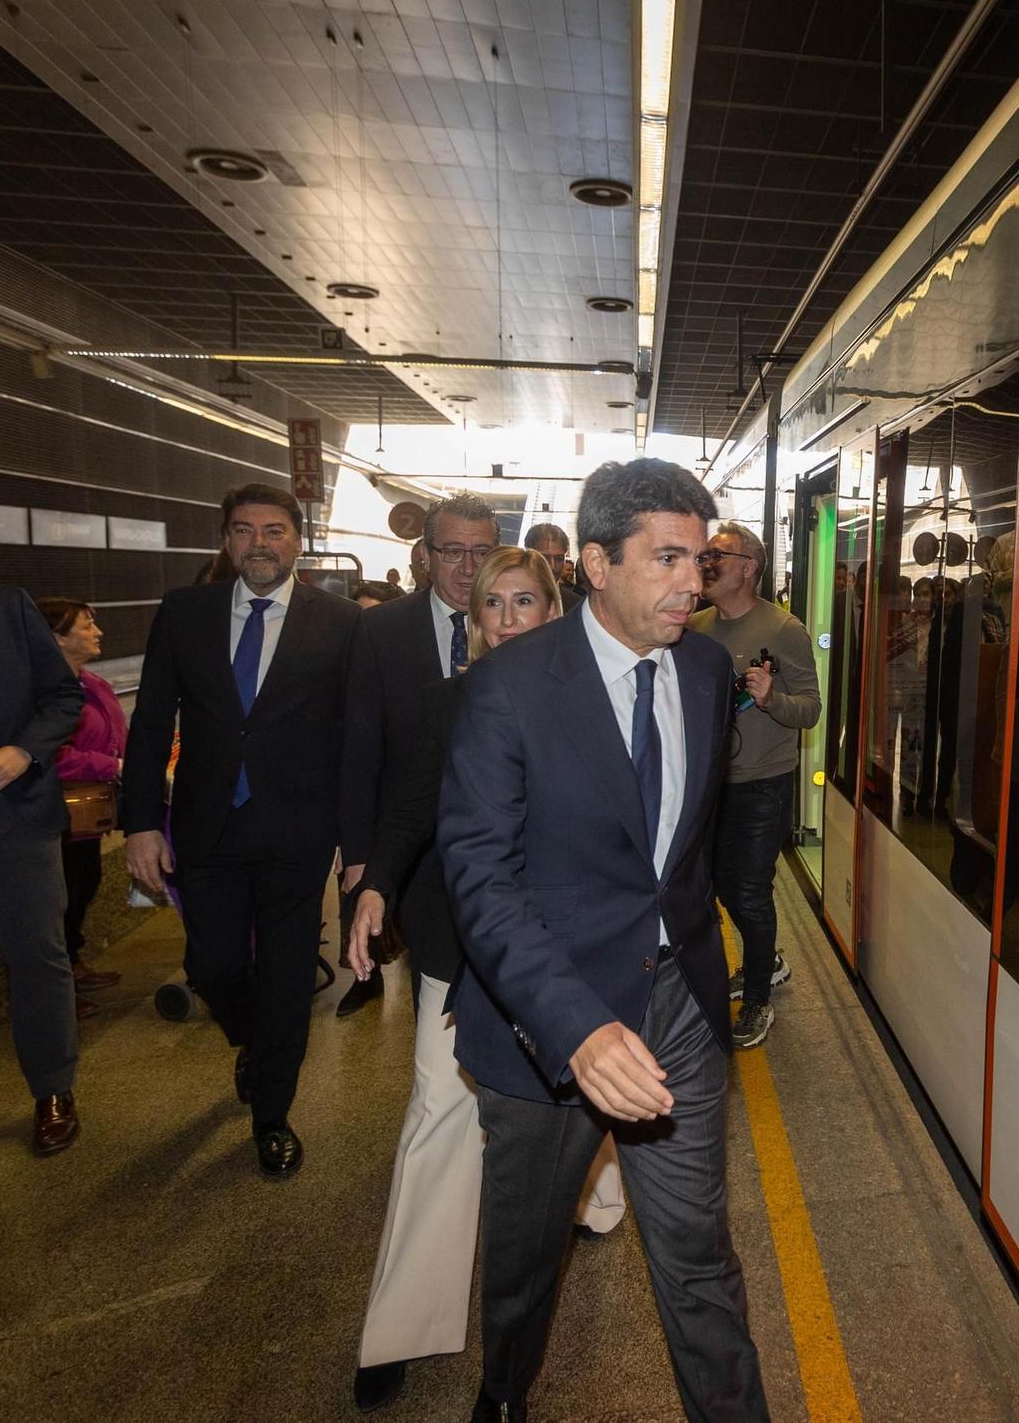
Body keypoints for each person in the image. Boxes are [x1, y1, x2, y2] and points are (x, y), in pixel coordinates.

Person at [440, 459, 767, 1423]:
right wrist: (576, 1028)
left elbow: (678, 854)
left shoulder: (706, 673)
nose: (690, 584)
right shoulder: (507, 690)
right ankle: (503, 1394)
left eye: (699, 561)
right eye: (666, 559)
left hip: (679, 1010)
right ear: (594, 563)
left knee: (698, 1253)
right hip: (550, 1028)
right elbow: (482, 882)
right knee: (526, 1257)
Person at [343, 547, 622, 1414]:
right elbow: (411, 805)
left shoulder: (600, 701)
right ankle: (403, 1328)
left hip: (571, 952)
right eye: (492, 604)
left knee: (584, 1095)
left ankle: (593, 1197)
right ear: (475, 623)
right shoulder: (451, 702)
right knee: (441, 1116)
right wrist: (377, 883)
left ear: (556, 609)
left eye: (525, 601)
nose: (506, 617)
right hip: (460, 952)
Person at [122, 483, 360, 1177]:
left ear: (297, 541)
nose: (261, 542)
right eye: (247, 531)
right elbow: (150, 723)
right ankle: (259, 1043)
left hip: (298, 830)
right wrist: (140, 820)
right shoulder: (185, 613)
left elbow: (356, 735)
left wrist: (358, 844)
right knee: (214, 965)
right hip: (207, 826)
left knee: (288, 976)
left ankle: (271, 1115)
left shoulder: (341, 622)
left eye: (276, 530)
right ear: (227, 542)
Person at [337, 491, 500, 1019]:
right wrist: (361, 856)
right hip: (410, 843)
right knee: (429, 982)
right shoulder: (380, 629)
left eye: (482, 552)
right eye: (453, 551)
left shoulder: (520, 628)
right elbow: (360, 746)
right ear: (425, 554)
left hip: (497, 842)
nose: (469, 567)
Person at [690, 520, 821, 1049]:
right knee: (721, 886)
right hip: (708, 782)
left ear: (748, 566)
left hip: (763, 782)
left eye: (716, 555)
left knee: (748, 889)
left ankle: (760, 995)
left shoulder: (782, 628)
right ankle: (767, 959)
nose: (705, 564)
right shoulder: (696, 625)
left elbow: (811, 709)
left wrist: (770, 700)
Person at [0, 586, 86, 1155]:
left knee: (37, 955)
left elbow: (62, 698)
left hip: (16, 816)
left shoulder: (8, 607)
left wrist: (21, 752)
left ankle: (53, 1089)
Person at [34, 598, 127, 1000]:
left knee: (84, 883)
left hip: (89, 813)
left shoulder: (91, 682)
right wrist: (109, 765)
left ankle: (73, 963)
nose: (98, 633)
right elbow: (52, 754)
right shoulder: (40, 691)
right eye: (87, 626)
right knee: (60, 895)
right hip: (54, 812)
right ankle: (57, 987)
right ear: (57, 638)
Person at [524, 521, 583, 604]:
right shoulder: (511, 598)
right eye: (545, 558)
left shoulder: (576, 605)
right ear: (528, 557)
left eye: (559, 559)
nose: (553, 567)